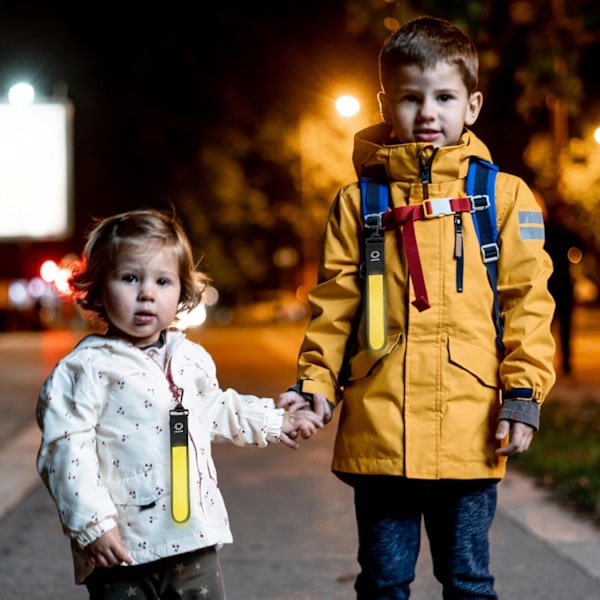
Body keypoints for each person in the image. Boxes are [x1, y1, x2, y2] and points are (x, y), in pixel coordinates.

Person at [279, 16, 556, 599]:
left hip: (471, 429)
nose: (428, 112)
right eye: (411, 97)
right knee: (382, 584)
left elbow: (528, 301)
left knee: (468, 582)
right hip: (380, 430)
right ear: (386, 103)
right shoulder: (360, 203)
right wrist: (314, 385)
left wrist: (524, 394)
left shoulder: (502, 197)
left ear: (472, 105)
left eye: (445, 96)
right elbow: (334, 305)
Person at [36, 208, 323, 599]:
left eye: (163, 281)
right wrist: (91, 526)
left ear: (182, 291)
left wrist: (278, 422)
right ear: (99, 287)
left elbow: (218, 409)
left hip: (192, 539)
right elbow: (65, 451)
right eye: (130, 278)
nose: (147, 293)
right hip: (122, 549)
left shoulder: (189, 358)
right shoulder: (84, 370)